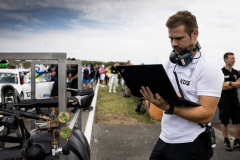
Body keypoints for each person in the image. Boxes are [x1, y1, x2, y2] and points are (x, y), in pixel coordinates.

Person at [140, 11, 223, 160]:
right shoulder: (169, 63)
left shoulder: (208, 67)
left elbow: (206, 114)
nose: (173, 44)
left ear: (194, 33)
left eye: (179, 38)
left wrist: (168, 107)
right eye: (171, 39)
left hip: (191, 142)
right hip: (165, 138)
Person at [218, 52, 240, 151]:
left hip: (235, 100)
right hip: (224, 101)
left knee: (239, 122)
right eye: (231, 58)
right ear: (225, 60)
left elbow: (239, 85)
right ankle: (226, 141)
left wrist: (229, 83)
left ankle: (237, 142)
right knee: (225, 122)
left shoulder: (236, 72)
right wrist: (234, 84)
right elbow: (221, 87)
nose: (234, 60)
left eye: (234, 58)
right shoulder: (220, 72)